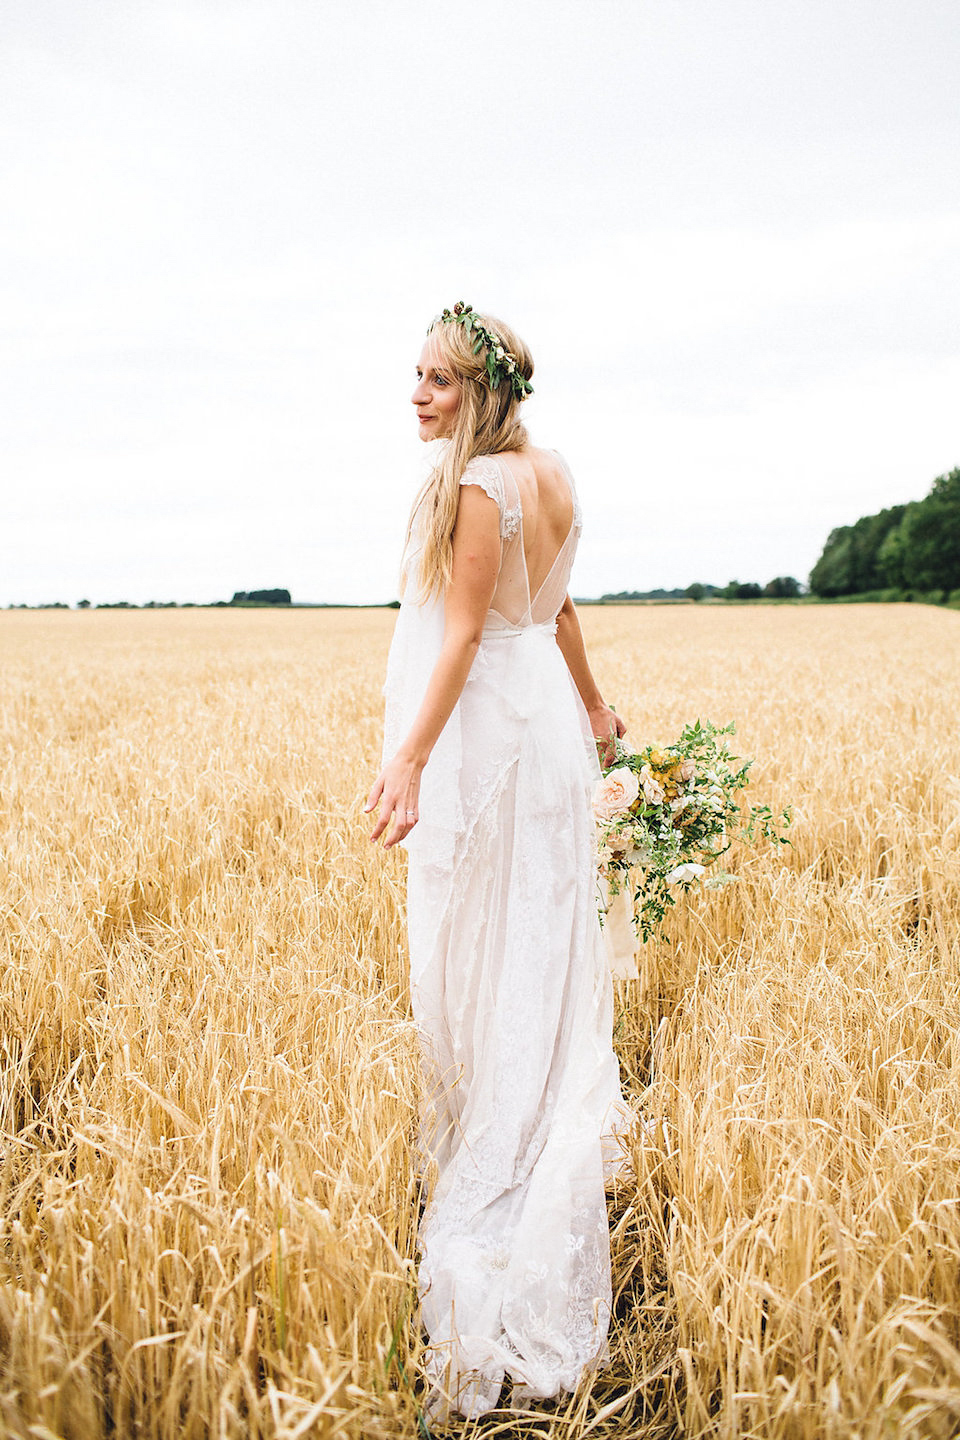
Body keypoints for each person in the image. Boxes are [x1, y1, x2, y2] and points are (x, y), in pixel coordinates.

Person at [365, 302, 627, 1421]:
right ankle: (525, 1093)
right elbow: (558, 612)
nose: (417, 394)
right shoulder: (554, 471)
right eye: (414, 374)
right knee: (540, 936)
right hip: (553, 739)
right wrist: (601, 709)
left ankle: (497, 1135)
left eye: (438, 379)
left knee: (483, 933)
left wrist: (410, 761)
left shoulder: (481, 490)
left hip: (502, 741)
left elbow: (469, 631)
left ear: (488, 389)